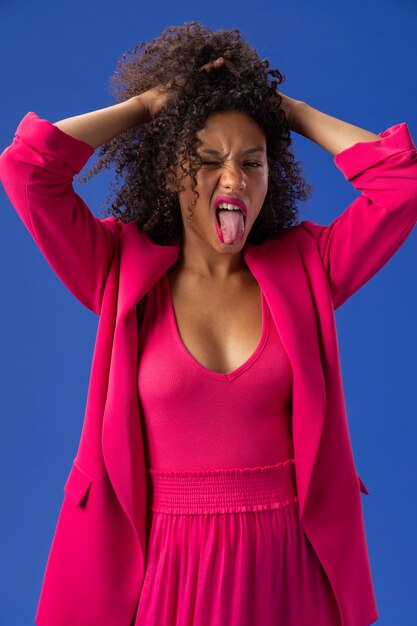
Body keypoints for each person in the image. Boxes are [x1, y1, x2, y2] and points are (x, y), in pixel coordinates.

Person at [1, 21, 416, 626]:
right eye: (208, 159)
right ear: (171, 172)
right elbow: (28, 168)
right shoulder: (117, 270)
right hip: (162, 564)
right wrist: (146, 106)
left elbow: (400, 182)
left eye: (254, 161)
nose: (234, 179)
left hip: (287, 563)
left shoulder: (309, 268)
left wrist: (285, 110)